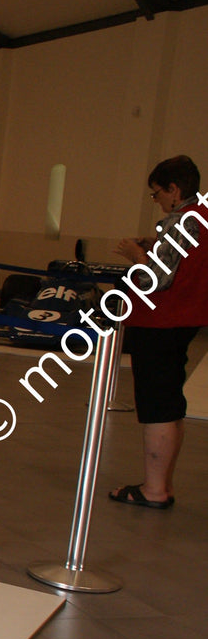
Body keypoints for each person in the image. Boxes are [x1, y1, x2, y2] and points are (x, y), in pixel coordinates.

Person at [108, 154, 208, 509]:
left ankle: (154, 490)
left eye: (157, 194)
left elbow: (159, 279)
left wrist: (137, 254)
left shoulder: (184, 221)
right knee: (169, 404)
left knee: (157, 407)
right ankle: (159, 483)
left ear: (173, 189)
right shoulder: (200, 219)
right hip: (181, 322)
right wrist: (154, 245)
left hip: (161, 324)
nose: (156, 201)